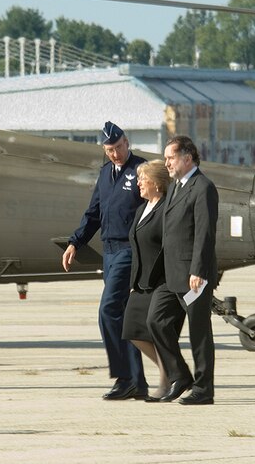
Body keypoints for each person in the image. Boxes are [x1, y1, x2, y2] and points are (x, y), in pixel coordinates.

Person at [62, 121, 147, 400]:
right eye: (110, 149)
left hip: (129, 250)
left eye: (119, 147)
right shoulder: (105, 174)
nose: (115, 153)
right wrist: (76, 241)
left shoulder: (141, 170)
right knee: (123, 318)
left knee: (108, 311)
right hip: (109, 252)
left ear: (127, 142)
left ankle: (124, 378)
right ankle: (136, 381)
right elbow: (94, 213)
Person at [147, 135, 219, 405]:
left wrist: (198, 270)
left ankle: (204, 390)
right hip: (171, 272)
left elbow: (204, 233)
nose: (166, 162)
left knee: (199, 332)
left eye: (171, 157)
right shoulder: (176, 185)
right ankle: (180, 376)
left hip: (193, 275)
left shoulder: (203, 188)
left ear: (187, 158)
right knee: (156, 320)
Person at [122, 160, 171, 399]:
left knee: (157, 332)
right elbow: (137, 248)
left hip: (161, 280)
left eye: (143, 179)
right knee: (132, 330)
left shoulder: (166, 210)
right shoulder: (143, 208)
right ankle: (170, 368)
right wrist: (133, 283)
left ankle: (165, 380)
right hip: (140, 282)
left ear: (157, 184)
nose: (138, 183)